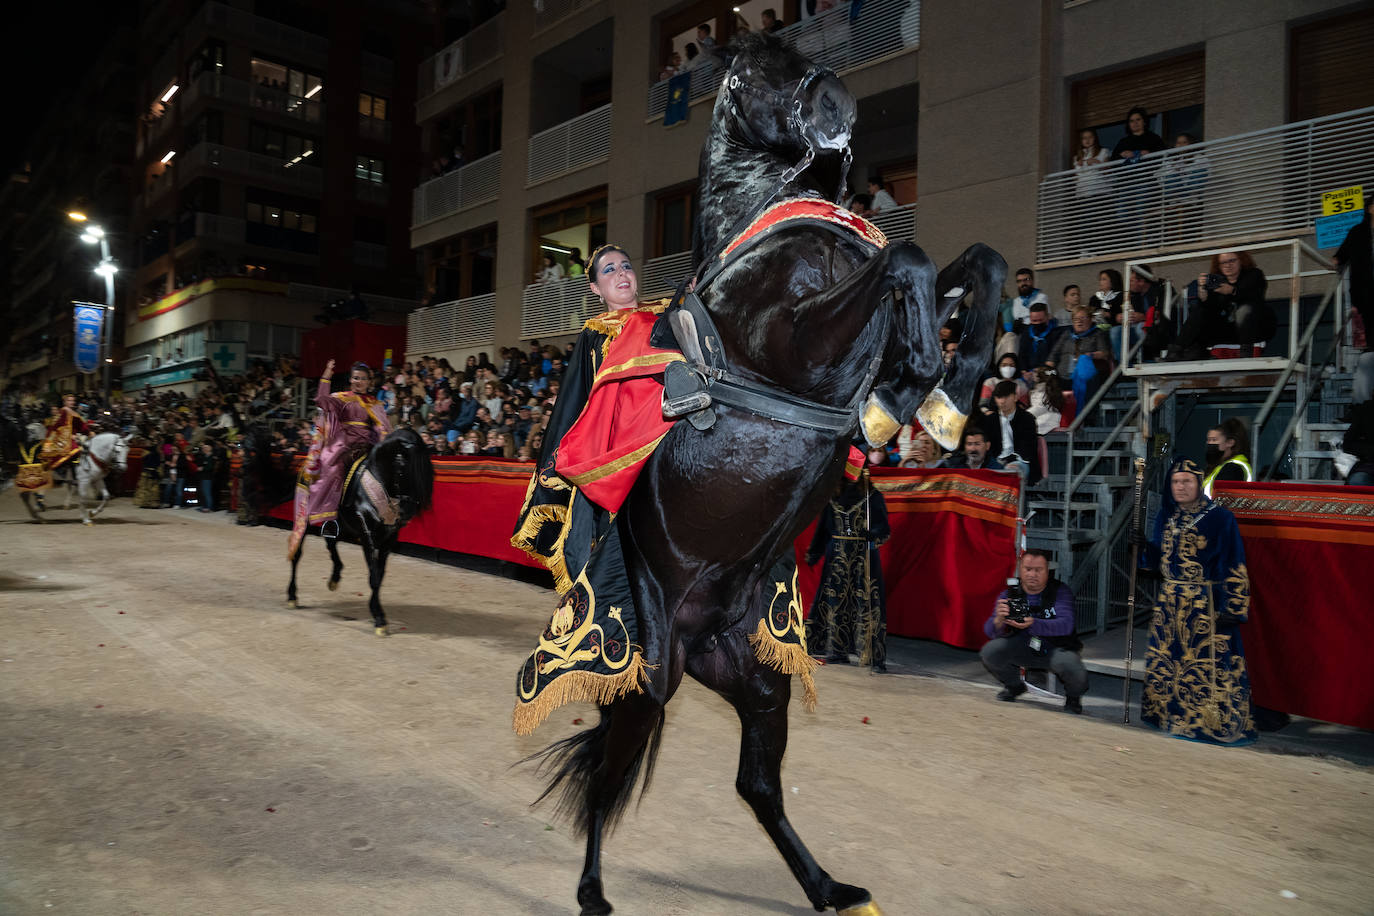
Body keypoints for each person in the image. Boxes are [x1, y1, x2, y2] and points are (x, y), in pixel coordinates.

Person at [1137, 459, 1256, 745]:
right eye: (1176, 482)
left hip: (1206, 605)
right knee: (1170, 664)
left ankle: (1211, 724)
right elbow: (1156, 563)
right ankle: (1168, 717)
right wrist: (1141, 546)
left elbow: (1234, 561)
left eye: (1187, 482)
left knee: (1207, 666)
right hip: (1169, 604)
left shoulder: (1220, 518)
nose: (1180, 487)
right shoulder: (1167, 516)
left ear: (1199, 484)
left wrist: (1235, 606)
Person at [289, 360, 392, 555]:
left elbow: (383, 427)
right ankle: (330, 520)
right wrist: (326, 374)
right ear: (350, 380)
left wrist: (384, 440)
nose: (358, 381)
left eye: (362, 379)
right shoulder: (341, 398)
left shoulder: (376, 403)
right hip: (344, 446)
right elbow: (321, 399)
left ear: (369, 382)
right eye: (355, 378)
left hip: (369, 447)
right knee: (333, 470)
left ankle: (387, 517)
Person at [980, 549, 1088, 713]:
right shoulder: (1010, 592)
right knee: (990, 651)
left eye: (1038, 570)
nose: (1032, 574)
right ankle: (1015, 685)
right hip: (1022, 645)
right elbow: (989, 631)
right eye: (1028, 569)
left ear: (1048, 571)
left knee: (1073, 667)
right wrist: (998, 620)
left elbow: (1066, 625)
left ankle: (1073, 697)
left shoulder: (1060, 591)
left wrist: (1033, 623)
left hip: (1055, 647)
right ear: (1020, 569)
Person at [805, 472, 890, 671]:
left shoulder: (872, 496)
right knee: (836, 603)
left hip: (864, 558)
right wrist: (815, 552)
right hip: (837, 558)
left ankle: (871, 655)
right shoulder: (832, 497)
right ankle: (837, 650)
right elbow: (824, 529)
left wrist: (872, 535)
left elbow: (884, 529)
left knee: (866, 603)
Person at [1172, 250, 1274, 360]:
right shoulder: (1217, 280)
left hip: (1254, 328)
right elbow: (1208, 308)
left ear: (1241, 260)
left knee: (1244, 310)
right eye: (1223, 262)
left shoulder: (1254, 274)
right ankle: (1175, 351)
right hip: (1228, 329)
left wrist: (1233, 291)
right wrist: (1202, 291)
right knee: (1199, 311)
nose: (1228, 265)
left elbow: (1253, 296)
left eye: (1232, 261)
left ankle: (1246, 354)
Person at [1046, 306, 1111, 409]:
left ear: (1090, 319)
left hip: (1085, 375)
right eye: (1076, 319)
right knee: (1047, 378)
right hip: (1063, 376)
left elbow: (1104, 353)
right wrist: (1047, 370)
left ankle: (1082, 414)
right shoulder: (1067, 334)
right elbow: (1053, 354)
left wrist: (1090, 355)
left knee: (1083, 363)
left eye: (1083, 318)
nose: (1079, 321)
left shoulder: (1097, 333)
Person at [981, 380, 1041, 483]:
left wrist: (1009, 460)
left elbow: (1028, 448)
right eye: (999, 397)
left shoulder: (1027, 418)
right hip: (995, 461)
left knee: (1010, 472)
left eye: (1006, 397)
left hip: (1020, 461)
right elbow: (986, 447)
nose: (1002, 401)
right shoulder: (989, 420)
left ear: (1015, 397)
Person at [1334, 198, 1374, 339]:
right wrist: (1337, 259)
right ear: (1369, 209)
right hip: (1366, 289)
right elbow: (1343, 252)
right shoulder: (1357, 231)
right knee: (1370, 326)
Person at [1202, 417, 1254, 498]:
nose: (1210, 443)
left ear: (1230, 443)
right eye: (1208, 440)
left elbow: (1222, 500)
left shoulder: (1233, 468)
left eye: (1214, 440)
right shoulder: (1218, 466)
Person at [38, 393, 87, 474]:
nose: (72, 402)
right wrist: (70, 436)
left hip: (73, 437)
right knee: (74, 448)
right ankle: (63, 469)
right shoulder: (62, 413)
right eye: (69, 400)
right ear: (65, 402)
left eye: (73, 400)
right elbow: (55, 428)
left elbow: (80, 426)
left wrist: (88, 432)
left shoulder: (73, 412)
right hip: (61, 439)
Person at [1017, 302, 1063, 376]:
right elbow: (1022, 355)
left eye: (1041, 320)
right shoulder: (1026, 333)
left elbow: (1057, 360)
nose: (1038, 323)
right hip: (1029, 373)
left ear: (1047, 317)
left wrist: (1041, 371)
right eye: (1034, 321)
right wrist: (1023, 371)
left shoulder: (1057, 334)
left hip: (1050, 373)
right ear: (1030, 319)